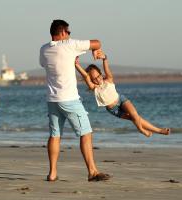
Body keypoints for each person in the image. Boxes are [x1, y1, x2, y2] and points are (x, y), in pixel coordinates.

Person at [39, 19, 110, 182]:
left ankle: (52, 173)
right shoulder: (69, 44)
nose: (70, 35)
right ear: (63, 32)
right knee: (86, 132)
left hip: (52, 100)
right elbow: (97, 42)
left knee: (55, 135)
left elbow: (45, 64)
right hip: (69, 99)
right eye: (69, 32)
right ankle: (92, 171)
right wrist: (96, 49)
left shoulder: (44, 49)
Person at [75, 50, 171, 137]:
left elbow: (106, 68)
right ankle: (153, 130)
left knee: (135, 115)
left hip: (121, 100)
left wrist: (105, 59)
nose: (97, 79)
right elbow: (86, 76)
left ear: (101, 73)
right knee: (134, 118)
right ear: (92, 80)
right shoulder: (94, 87)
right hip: (114, 109)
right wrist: (76, 64)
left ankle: (145, 129)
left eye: (98, 76)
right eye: (94, 78)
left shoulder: (108, 79)